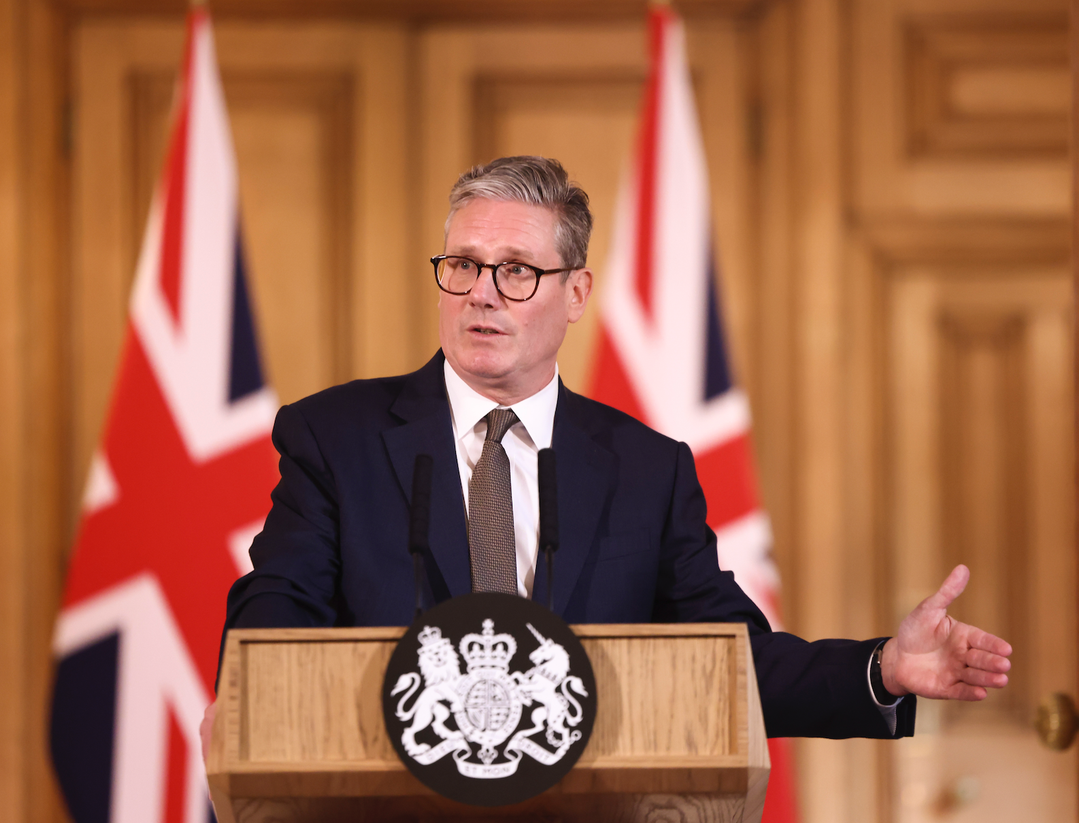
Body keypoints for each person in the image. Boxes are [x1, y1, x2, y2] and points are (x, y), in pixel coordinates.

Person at [202, 156, 1011, 754]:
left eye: (516, 271)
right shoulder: (334, 438)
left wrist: (884, 669)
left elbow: (728, 660)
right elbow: (274, 615)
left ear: (577, 294)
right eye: (461, 266)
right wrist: (252, 693)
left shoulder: (645, 470)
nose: (481, 292)